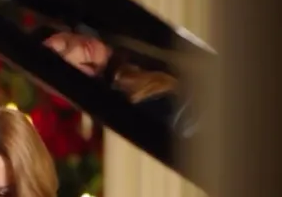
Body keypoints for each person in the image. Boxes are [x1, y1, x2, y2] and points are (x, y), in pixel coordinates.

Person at [39, 27, 198, 138]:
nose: (76, 48)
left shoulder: (121, 31)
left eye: (67, 42)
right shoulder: (141, 104)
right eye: (62, 61)